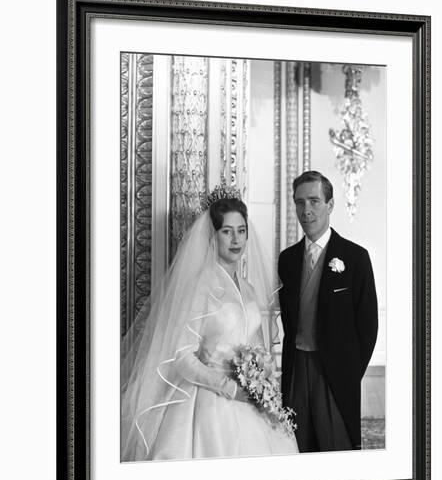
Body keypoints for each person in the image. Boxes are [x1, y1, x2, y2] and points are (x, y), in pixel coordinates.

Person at [122, 186, 299, 461]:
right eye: (226, 231)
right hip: (209, 400)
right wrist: (229, 388)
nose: (235, 239)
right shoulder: (200, 286)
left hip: (250, 397)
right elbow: (181, 356)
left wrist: (261, 382)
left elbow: (256, 347)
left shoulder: (249, 289)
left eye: (241, 231)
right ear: (212, 236)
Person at [278, 170, 378, 452]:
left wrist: (347, 371)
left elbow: (368, 325)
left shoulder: (355, 258)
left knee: (336, 448)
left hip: (334, 371)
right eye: (299, 202)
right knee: (296, 446)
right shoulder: (287, 260)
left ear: (330, 205)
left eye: (314, 201)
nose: (306, 210)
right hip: (296, 368)